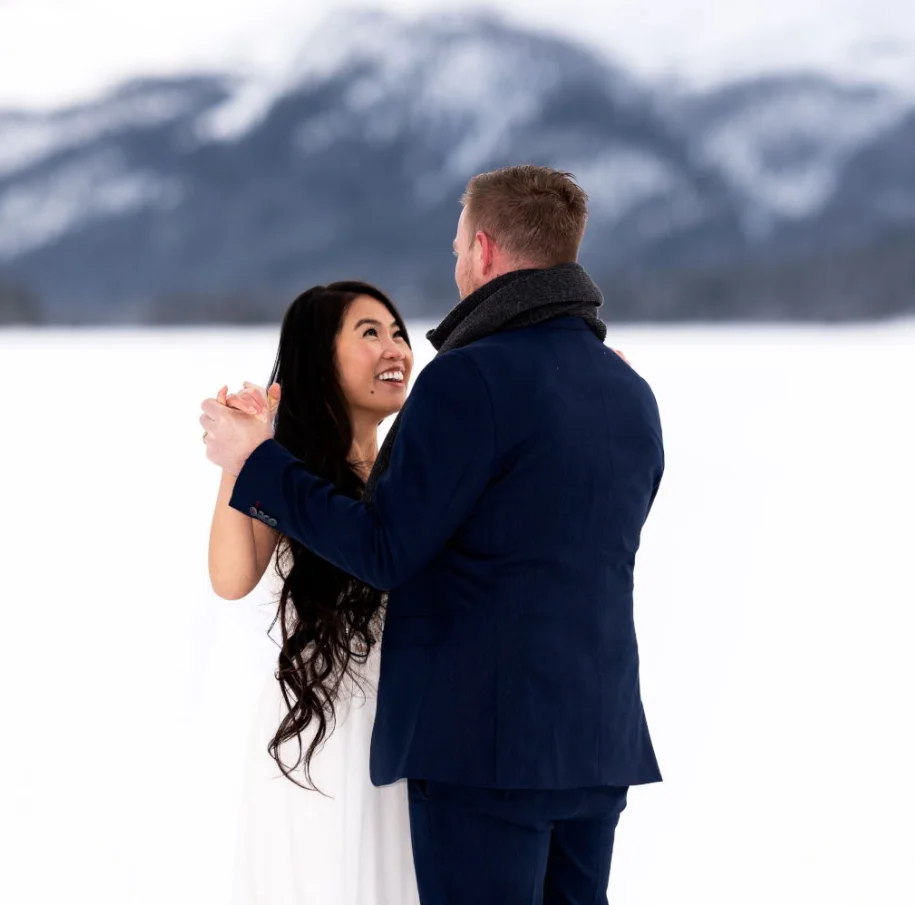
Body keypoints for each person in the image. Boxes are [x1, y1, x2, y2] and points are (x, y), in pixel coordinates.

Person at [201, 164, 665, 905]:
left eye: (455, 250)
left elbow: (386, 549)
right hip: (596, 741)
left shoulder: (467, 378)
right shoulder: (627, 392)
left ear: (482, 249)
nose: (454, 268)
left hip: (485, 751)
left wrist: (257, 462)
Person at [208, 281, 421, 905]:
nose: (397, 348)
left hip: (402, 735)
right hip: (313, 735)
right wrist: (240, 458)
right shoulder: (290, 475)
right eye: (370, 333)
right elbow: (230, 577)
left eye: (399, 332)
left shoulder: (415, 471)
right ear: (318, 358)